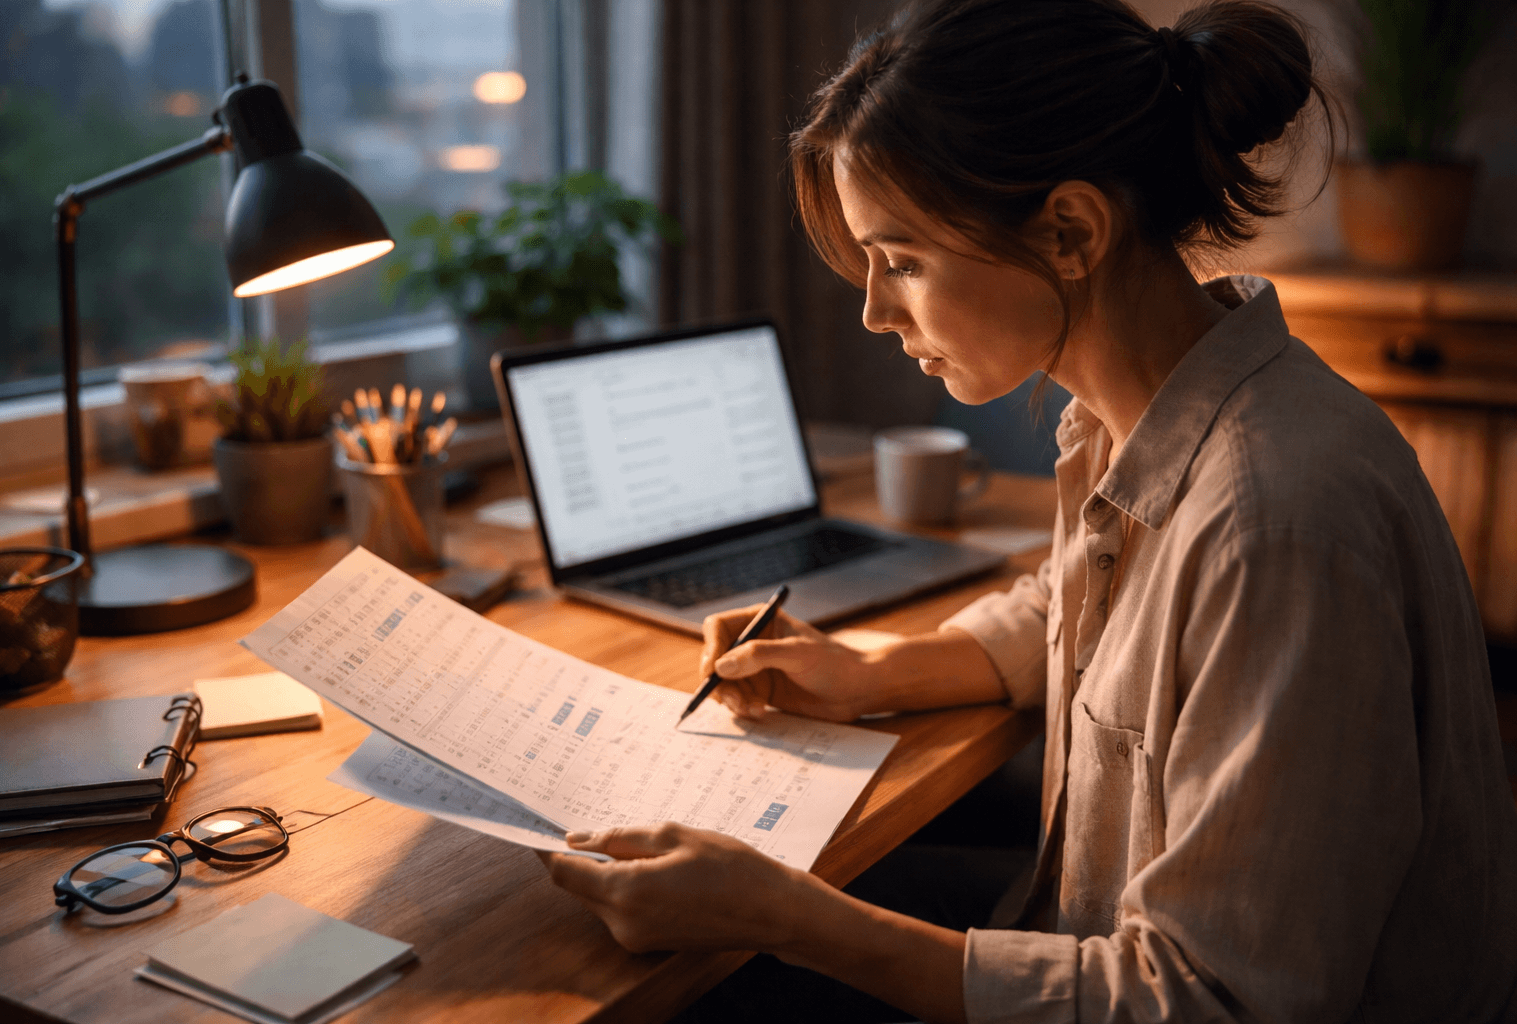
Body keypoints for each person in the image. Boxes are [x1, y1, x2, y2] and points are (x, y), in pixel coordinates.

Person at [540, 0, 1517, 1020]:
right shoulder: (1144, 413)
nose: (875, 309)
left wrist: (790, 916)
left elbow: (1212, 1001)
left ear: (1070, 231)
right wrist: (872, 667)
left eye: (904, 261)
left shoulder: (1273, 521)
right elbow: (1084, 603)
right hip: (1080, 924)